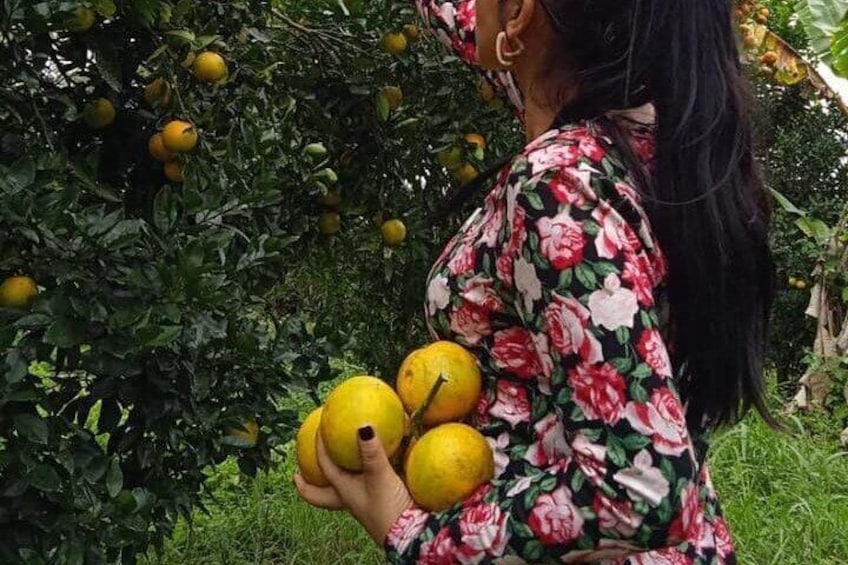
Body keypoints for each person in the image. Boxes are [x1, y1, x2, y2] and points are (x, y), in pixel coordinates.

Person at [295, 0, 779, 562]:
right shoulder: (659, 135)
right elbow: (475, 23)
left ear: (522, 15)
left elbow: (639, 492)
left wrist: (411, 535)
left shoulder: (560, 187)